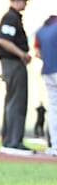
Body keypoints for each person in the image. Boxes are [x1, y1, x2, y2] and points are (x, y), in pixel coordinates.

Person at [0, 0, 33, 154]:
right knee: (17, 101)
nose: (25, 5)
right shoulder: (11, 18)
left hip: (11, 63)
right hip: (13, 62)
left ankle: (10, 140)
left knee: (13, 101)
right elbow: (3, 40)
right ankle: (13, 141)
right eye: (24, 2)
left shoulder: (13, 18)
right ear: (17, 1)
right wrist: (22, 54)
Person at [34, 14, 57, 155]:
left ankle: (55, 146)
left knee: (53, 109)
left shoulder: (40, 31)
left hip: (47, 71)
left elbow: (37, 53)